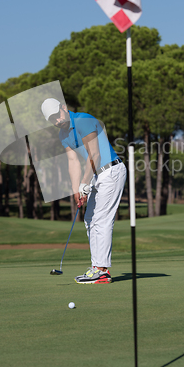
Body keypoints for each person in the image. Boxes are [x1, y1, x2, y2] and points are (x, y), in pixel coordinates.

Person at [41, 98, 126, 284]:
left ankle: (102, 271)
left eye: (57, 115)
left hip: (110, 171)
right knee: (89, 219)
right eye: (52, 120)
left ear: (64, 107)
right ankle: (96, 267)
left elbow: (94, 154)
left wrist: (85, 183)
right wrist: (76, 190)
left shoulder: (83, 120)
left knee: (101, 219)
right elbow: (73, 162)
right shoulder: (63, 135)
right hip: (97, 175)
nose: (57, 121)